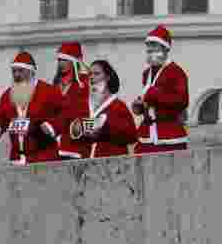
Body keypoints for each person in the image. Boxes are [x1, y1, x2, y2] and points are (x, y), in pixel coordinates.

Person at [0, 51, 64, 165]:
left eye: (21, 71)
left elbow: (65, 113)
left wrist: (52, 126)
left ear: (31, 72)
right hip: (16, 159)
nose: (17, 75)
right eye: (14, 71)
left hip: (43, 157)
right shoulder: (8, 94)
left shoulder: (49, 91)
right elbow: (0, 117)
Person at [133, 25, 189, 154]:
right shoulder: (146, 73)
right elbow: (150, 101)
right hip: (147, 134)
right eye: (149, 46)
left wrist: (153, 94)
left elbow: (182, 100)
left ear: (165, 49)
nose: (150, 49)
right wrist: (140, 106)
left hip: (169, 134)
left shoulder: (176, 72)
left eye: (154, 46)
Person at [68, 59, 137, 158]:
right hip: (85, 162)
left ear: (108, 77)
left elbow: (131, 135)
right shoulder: (84, 104)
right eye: (90, 74)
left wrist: (104, 130)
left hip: (111, 162)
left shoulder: (118, 106)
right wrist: (77, 129)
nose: (92, 77)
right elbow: (74, 130)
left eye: (97, 74)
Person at [54, 42, 90, 161]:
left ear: (74, 62)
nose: (60, 63)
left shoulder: (86, 83)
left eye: (64, 60)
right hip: (56, 146)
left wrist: (80, 126)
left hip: (77, 146)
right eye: (59, 60)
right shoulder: (55, 85)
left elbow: (93, 114)